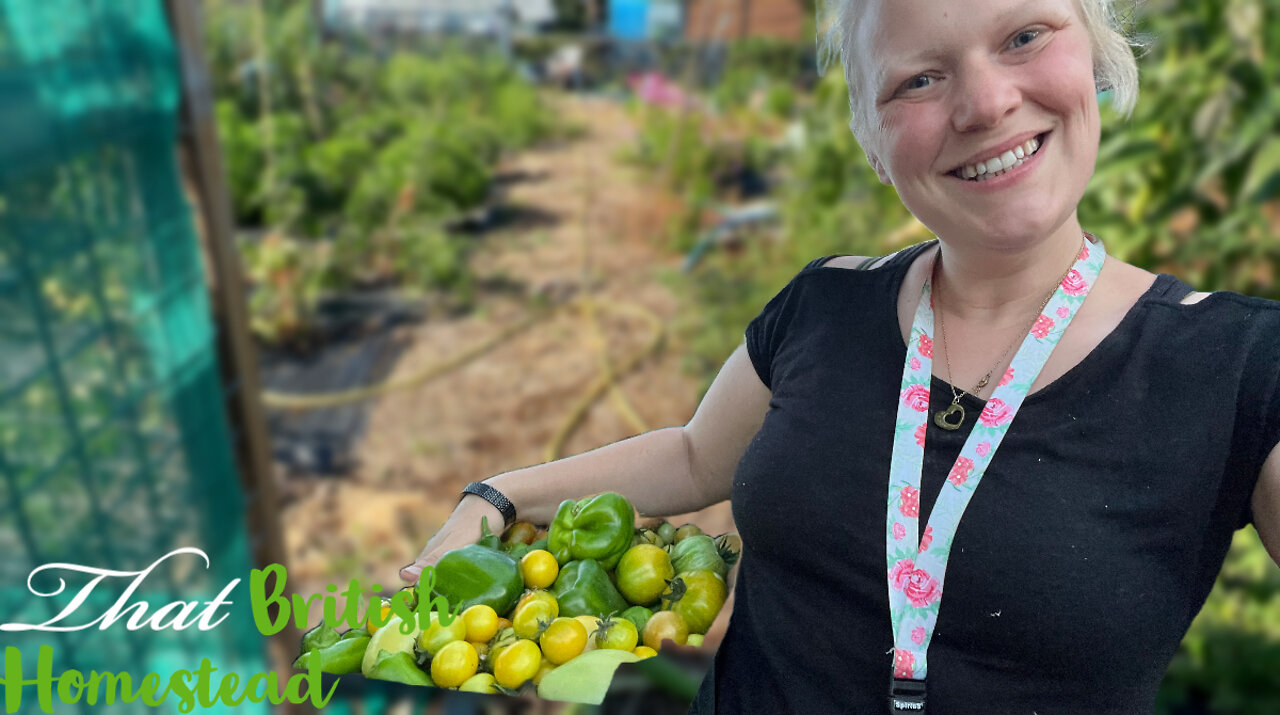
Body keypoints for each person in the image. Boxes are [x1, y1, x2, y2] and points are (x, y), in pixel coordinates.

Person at [401, 0, 1280, 711]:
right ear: (872, 137)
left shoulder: (1237, 366)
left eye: (1023, 36)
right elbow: (696, 453)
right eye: (920, 79)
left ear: (1094, 49)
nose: (983, 104)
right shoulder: (825, 303)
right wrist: (500, 493)